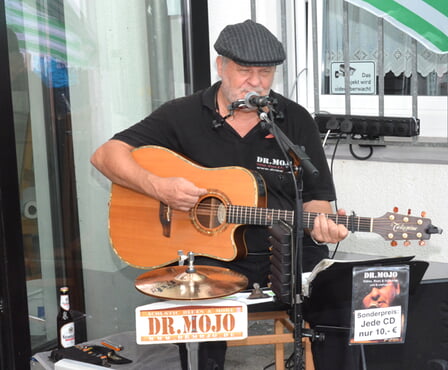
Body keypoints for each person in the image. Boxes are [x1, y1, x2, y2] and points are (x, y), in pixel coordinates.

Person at [91, 19, 348, 370]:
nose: (256, 81)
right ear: (220, 66)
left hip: (282, 256)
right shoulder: (181, 115)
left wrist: (321, 224)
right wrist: (158, 187)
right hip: (207, 258)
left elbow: (318, 198)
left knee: (340, 300)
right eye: (244, 70)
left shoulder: (294, 120)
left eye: (266, 72)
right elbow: (106, 155)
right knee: (204, 313)